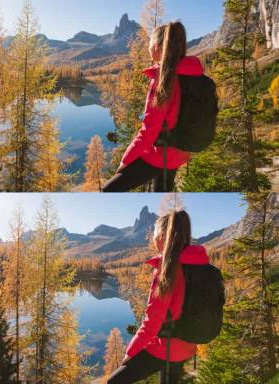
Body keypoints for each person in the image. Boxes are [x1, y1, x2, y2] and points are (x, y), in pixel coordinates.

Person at [106, 210, 209, 383]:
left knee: (113, 382)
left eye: (154, 232)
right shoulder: (197, 264)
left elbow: (152, 321)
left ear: (162, 235)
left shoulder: (167, 269)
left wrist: (130, 353)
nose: (153, 237)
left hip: (166, 347)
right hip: (188, 344)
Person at [103, 22, 204, 192]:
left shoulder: (163, 79)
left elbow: (150, 129)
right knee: (162, 192)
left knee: (108, 190)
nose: (148, 47)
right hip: (180, 152)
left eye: (149, 43)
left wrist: (126, 160)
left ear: (157, 47)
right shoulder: (192, 74)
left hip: (160, 154)